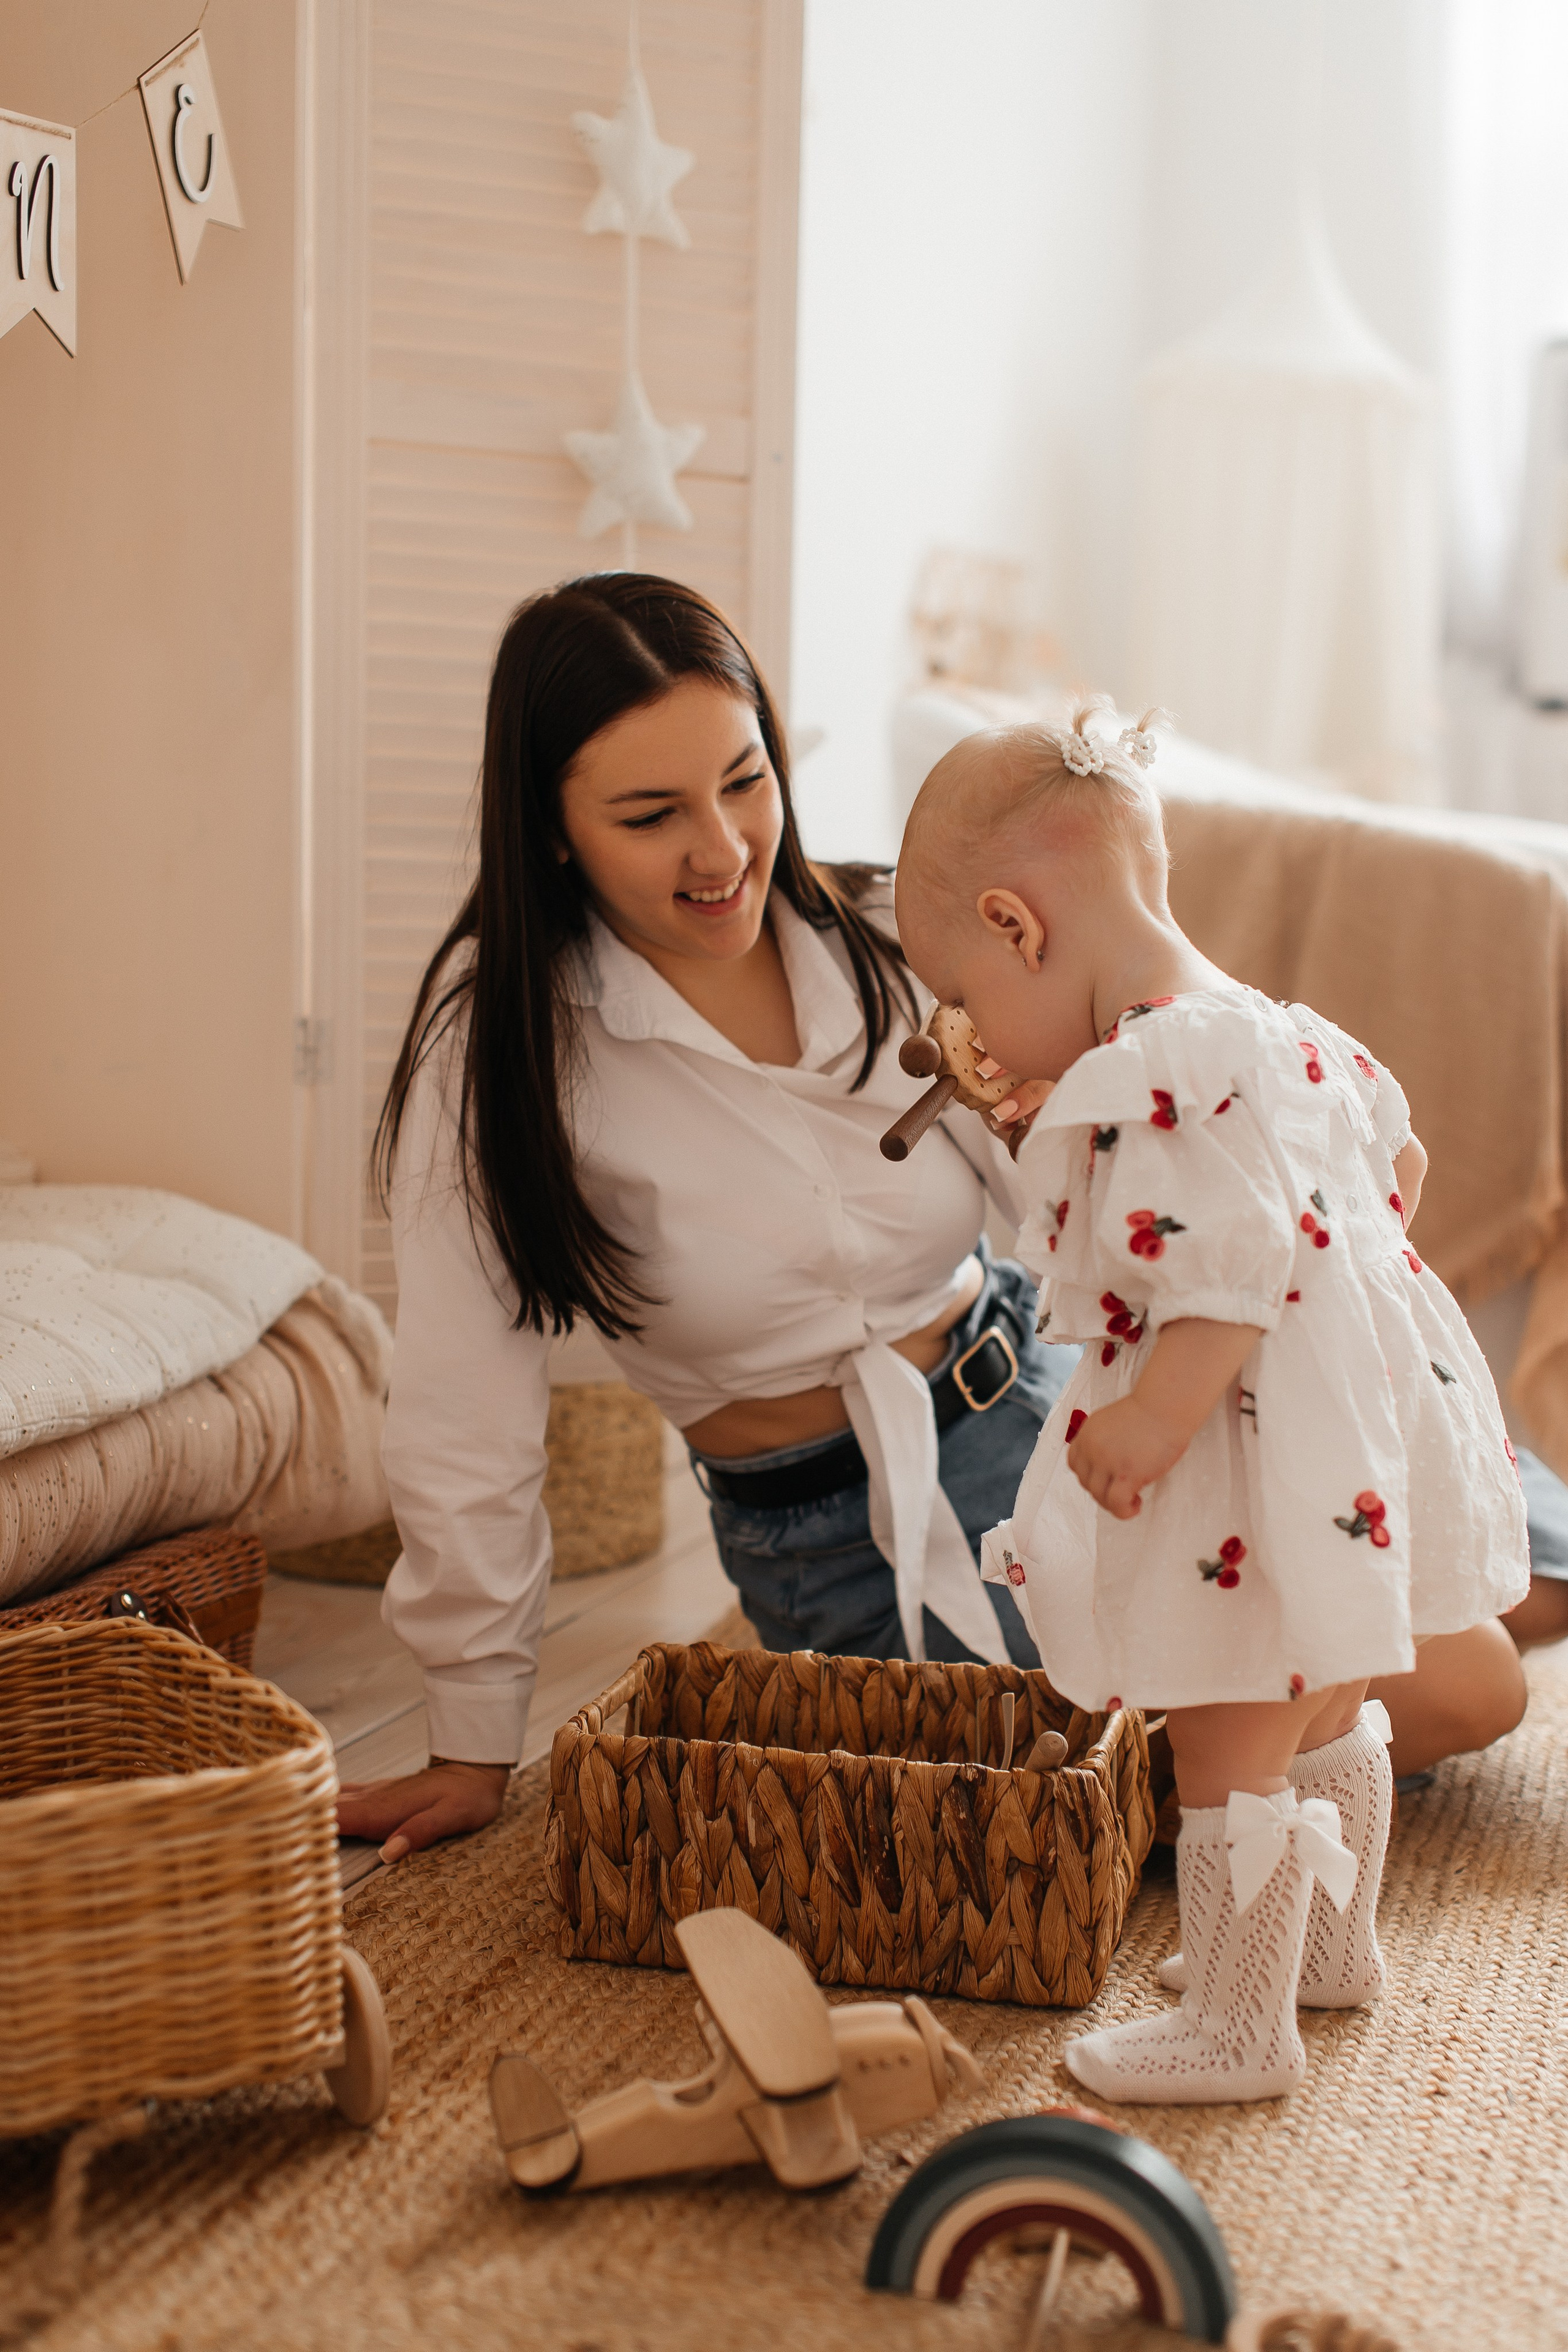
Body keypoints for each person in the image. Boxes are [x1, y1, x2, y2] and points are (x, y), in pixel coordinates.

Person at [336, 579, 1536, 1869]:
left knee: (1478, 1568)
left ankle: (1196, 1783)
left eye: (744, 781)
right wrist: (469, 1734)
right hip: (834, 1526)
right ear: (551, 830)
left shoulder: (878, 934)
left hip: (1060, 1394)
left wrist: (1069, 1133)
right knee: (1443, 1682)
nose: (723, 850)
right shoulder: (499, 1050)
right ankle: (1175, 1818)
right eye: (649, 815)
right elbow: (464, 1419)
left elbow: (1171, 1196)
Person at [893, 703, 1531, 2105]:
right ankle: (1328, 1948)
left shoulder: (1156, 1072)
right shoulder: (1282, 1035)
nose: (980, 1044)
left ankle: (1236, 2032)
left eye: (964, 999)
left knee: (1223, 1730)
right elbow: (1398, 1164)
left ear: (1016, 925)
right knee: (1329, 1699)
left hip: (1232, 1465)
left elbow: (1229, 1272)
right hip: (1340, 1454)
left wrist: (1151, 1421)